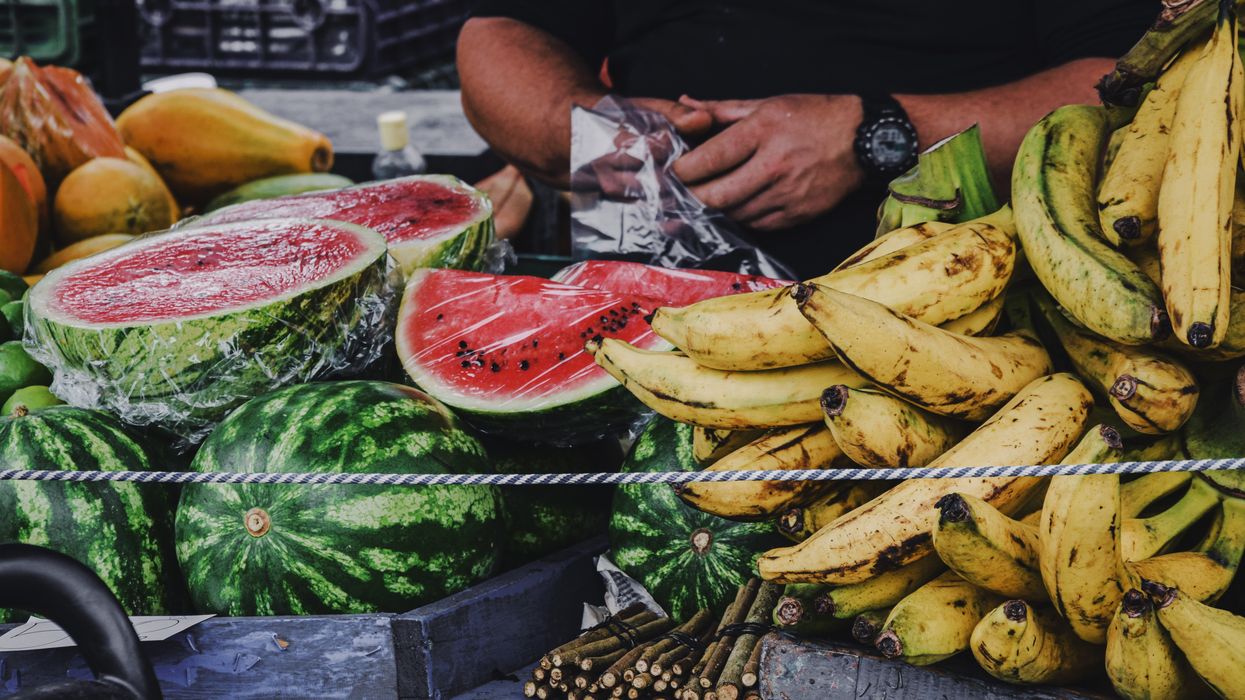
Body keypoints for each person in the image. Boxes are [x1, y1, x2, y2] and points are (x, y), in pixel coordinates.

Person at [457, 1, 1156, 278]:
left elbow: (1129, 81)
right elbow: (498, 37)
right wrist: (585, 134)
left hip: (970, 321)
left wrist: (880, 134)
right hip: (648, 329)